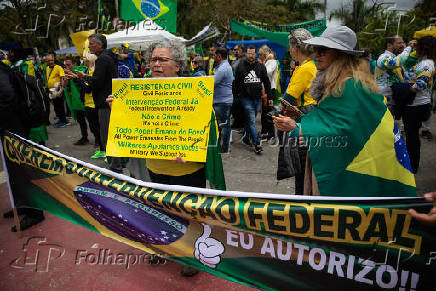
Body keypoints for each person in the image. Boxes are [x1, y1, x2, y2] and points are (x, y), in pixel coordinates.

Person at [107, 39, 225, 276]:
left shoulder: (194, 94)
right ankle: (165, 247)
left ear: (178, 65)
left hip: (188, 170)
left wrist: (194, 148)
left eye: (163, 59)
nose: (156, 64)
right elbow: (132, 127)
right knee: (160, 211)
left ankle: (192, 255)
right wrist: (118, 110)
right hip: (155, 168)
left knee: (190, 215)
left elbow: (211, 130)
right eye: (153, 60)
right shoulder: (139, 93)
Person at [273, 26, 416, 197]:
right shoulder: (341, 82)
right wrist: (302, 120)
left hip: (350, 172)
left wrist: (296, 129)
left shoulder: (350, 86)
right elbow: (335, 122)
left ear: (341, 55)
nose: (317, 54)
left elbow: (344, 133)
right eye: (316, 49)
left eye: (323, 50)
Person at [0, 54, 45, 232]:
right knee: (14, 169)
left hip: (13, 127)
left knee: (20, 169)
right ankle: (23, 205)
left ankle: (35, 212)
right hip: (12, 126)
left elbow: (7, 97)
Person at [277, 28, 317, 195]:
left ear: (296, 48)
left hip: (303, 121)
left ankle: (301, 207)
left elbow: (287, 99)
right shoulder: (309, 65)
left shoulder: (305, 69)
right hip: (310, 120)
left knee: (301, 170)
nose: (289, 50)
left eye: (290, 46)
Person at [76, 33, 122, 173]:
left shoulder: (102, 59)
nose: (89, 46)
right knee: (109, 134)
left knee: (108, 135)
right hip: (108, 101)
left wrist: (84, 77)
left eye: (91, 43)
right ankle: (117, 164)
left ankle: (115, 167)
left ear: (100, 45)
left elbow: (97, 82)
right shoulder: (107, 57)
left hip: (105, 103)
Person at [402, 36, 436, 174]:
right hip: (418, 103)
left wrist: (406, 92)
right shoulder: (425, 61)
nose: (416, 49)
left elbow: (421, 83)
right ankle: (411, 162)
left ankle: (412, 166)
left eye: (418, 46)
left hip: (416, 105)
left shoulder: (427, 63)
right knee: (412, 136)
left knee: (412, 137)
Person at [234, 45, 271, 154]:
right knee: (251, 121)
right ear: (246, 53)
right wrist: (237, 95)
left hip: (257, 99)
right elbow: (236, 82)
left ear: (255, 54)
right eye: (249, 53)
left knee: (250, 121)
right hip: (246, 99)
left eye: (252, 53)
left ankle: (246, 138)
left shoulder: (260, 66)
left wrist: (269, 96)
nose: (250, 55)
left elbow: (266, 82)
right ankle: (257, 144)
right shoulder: (241, 66)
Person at [375, 35, 416, 119]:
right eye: (399, 43)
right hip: (385, 99)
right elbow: (394, 63)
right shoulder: (383, 57)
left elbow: (412, 60)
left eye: (403, 42)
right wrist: (408, 48)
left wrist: (418, 49)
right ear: (389, 45)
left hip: (395, 97)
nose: (403, 45)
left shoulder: (398, 57)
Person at [63, 56, 89, 145]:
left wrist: (72, 74)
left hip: (84, 100)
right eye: (65, 65)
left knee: (92, 122)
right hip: (75, 101)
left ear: (74, 64)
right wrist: (65, 80)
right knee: (81, 121)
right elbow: (66, 86)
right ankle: (84, 137)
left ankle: (99, 140)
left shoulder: (82, 70)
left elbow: (83, 82)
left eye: (68, 65)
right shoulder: (68, 73)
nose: (66, 67)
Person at [213, 47, 233, 153]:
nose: (214, 58)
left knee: (224, 126)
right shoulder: (225, 66)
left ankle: (224, 148)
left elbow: (213, 83)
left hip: (222, 101)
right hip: (224, 100)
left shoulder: (222, 68)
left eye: (215, 56)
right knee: (225, 125)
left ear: (219, 56)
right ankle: (223, 147)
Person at [258, 45, 277, 143]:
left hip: (270, 91)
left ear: (264, 54)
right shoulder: (265, 62)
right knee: (263, 113)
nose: (259, 56)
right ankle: (264, 133)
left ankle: (272, 135)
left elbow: (268, 72)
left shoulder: (273, 61)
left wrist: (260, 65)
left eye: (260, 54)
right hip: (264, 90)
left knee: (269, 113)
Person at [46, 53, 69, 128]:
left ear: (54, 60)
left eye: (51, 60)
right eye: (48, 61)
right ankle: (61, 120)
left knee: (60, 105)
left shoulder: (58, 67)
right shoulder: (47, 68)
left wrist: (61, 89)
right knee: (56, 106)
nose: (50, 62)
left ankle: (64, 121)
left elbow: (62, 78)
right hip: (51, 90)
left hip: (58, 89)